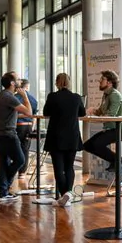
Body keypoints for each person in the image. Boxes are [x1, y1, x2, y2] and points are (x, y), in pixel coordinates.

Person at [43, 73, 85, 207]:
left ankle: (64, 195)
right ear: (69, 82)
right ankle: (68, 195)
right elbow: (82, 113)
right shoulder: (76, 97)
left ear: (57, 82)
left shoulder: (52, 97)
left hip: (55, 137)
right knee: (69, 167)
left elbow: (45, 113)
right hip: (72, 136)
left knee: (58, 168)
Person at [0, 73, 32, 202]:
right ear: (12, 83)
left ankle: (3, 192)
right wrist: (25, 96)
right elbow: (29, 112)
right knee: (20, 160)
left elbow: (7, 115)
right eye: (18, 79)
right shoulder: (9, 97)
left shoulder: (2, 95)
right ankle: (5, 186)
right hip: (7, 135)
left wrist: (15, 116)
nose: (20, 81)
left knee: (4, 163)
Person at [83, 70, 122, 172]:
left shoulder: (115, 95)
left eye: (102, 79)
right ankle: (114, 159)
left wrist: (97, 118)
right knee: (87, 145)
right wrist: (91, 111)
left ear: (109, 82)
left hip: (117, 130)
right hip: (108, 129)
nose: (99, 81)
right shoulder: (106, 95)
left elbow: (110, 115)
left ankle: (116, 159)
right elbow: (100, 112)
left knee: (96, 145)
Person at [15, 79, 38, 177]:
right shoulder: (33, 99)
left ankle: (13, 169)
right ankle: (22, 172)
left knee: (15, 148)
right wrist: (32, 126)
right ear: (27, 87)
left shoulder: (14, 97)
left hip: (16, 126)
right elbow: (34, 116)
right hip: (28, 126)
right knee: (25, 149)